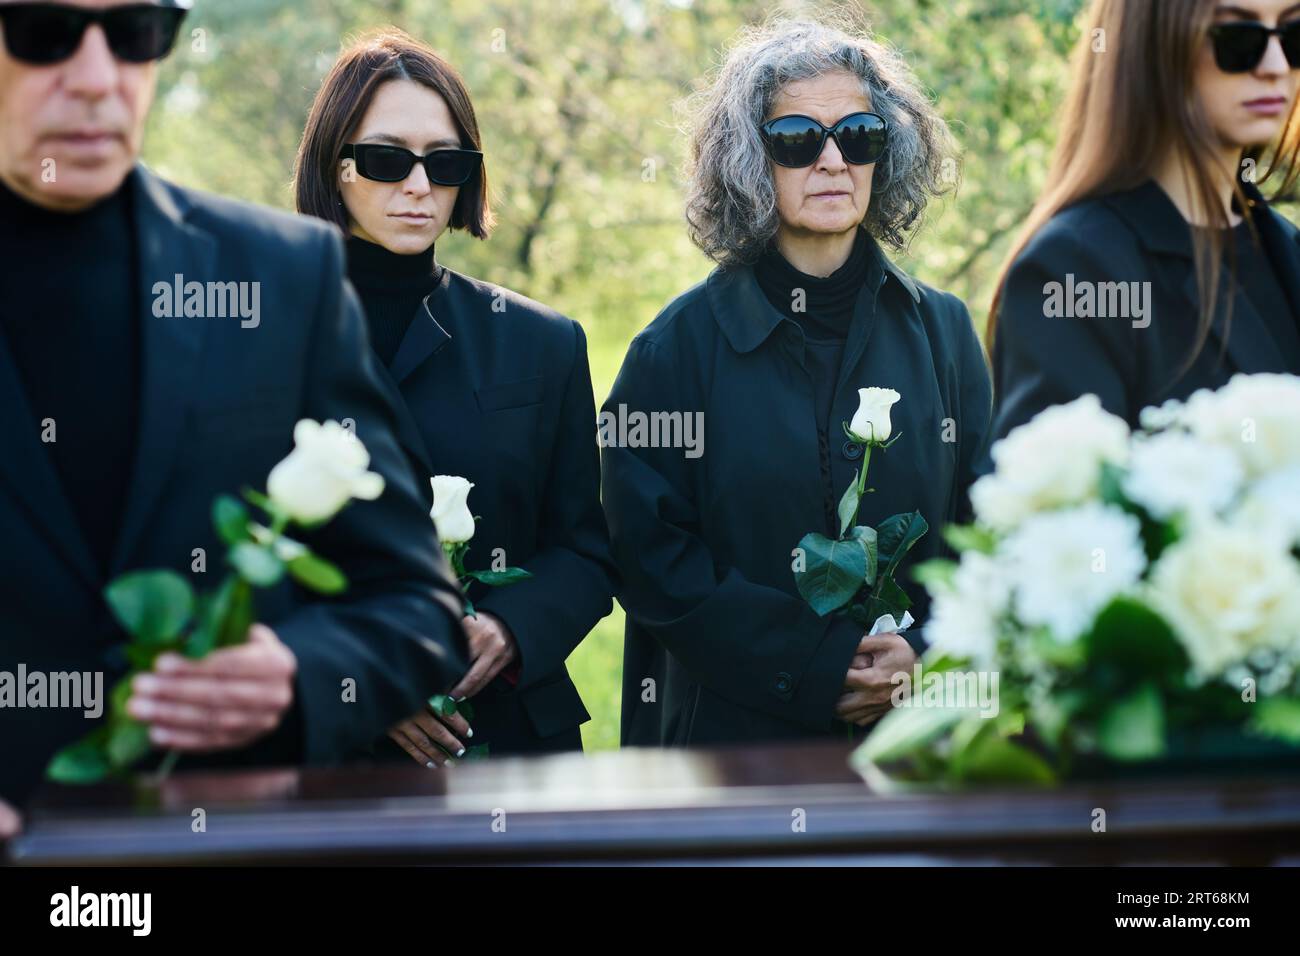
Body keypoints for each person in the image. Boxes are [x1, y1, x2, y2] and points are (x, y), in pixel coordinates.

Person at [0, 0, 468, 817]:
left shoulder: (283, 277)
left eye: (135, 33)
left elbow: (416, 609)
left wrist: (299, 670)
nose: (97, 80)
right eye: (44, 33)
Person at [602, 16, 992, 748]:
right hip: (734, 756)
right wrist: (818, 667)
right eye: (797, 141)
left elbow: (989, 531)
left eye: (860, 135)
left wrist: (926, 651)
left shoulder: (946, 334)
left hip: (919, 747)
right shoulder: (671, 352)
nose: (833, 160)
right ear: (752, 160)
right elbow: (651, 562)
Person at [295, 30, 615, 765]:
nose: (417, 185)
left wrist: (509, 630)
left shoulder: (543, 341)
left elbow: (586, 551)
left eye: (444, 162)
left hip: (508, 739)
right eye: (385, 159)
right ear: (334, 166)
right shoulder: (266, 340)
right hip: (331, 746)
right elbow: (229, 555)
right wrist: (364, 671)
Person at [992, 0, 1300, 437]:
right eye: (1237, 38)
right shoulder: (1073, 269)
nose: (1275, 65)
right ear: (1151, 46)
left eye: (1293, 35)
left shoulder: (1288, 249)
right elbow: (1066, 496)